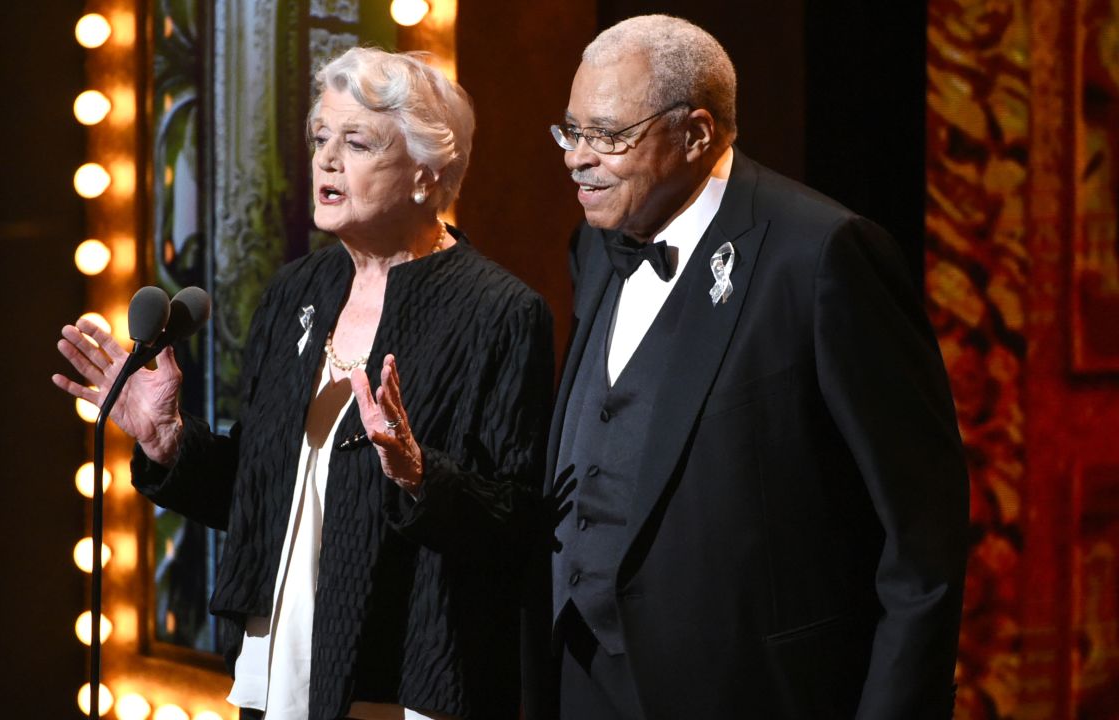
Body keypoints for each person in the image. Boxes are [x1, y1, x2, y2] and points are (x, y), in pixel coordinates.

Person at [54, 47, 554, 720]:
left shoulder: (499, 313)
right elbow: (263, 494)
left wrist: (417, 476)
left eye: (357, 142)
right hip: (281, 660)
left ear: (425, 176)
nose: (326, 158)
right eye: (321, 136)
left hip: (405, 677)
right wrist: (170, 441)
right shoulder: (297, 290)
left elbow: (515, 522)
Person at [525, 15, 970, 720]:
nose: (578, 158)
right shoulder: (595, 245)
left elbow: (923, 540)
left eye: (608, 136)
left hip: (751, 691)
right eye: (570, 131)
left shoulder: (824, 256)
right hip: (582, 679)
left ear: (696, 133)